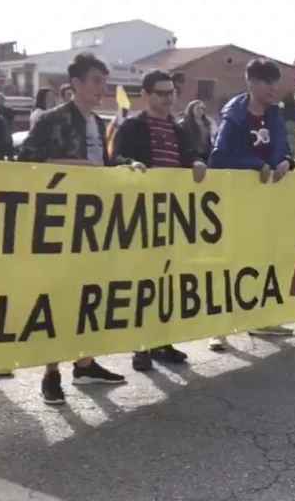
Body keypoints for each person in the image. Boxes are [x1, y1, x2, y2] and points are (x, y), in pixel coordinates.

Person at [19, 53, 127, 405]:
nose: (102, 89)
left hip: (93, 223)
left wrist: (129, 166)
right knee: (56, 296)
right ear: (76, 84)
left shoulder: (100, 122)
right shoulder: (51, 120)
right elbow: (26, 162)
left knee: (89, 295)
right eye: (96, 81)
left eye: (104, 82)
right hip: (59, 221)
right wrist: (75, 167)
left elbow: (106, 165)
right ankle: (51, 373)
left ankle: (84, 362)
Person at [112, 70, 206, 369]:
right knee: (143, 284)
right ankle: (141, 345)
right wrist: (131, 164)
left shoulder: (179, 129)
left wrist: (197, 162)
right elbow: (114, 158)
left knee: (168, 281)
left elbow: (190, 155)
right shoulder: (131, 127)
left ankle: (162, 341)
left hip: (173, 215)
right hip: (141, 216)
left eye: (171, 93)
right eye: (161, 93)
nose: (168, 99)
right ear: (146, 95)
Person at [208, 59, 295, 343]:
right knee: (230, 263)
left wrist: (286, 161)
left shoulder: (275, 115)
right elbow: (219, 157)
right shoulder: (233, 115)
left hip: (267, 202)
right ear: (251, 83)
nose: (273, 88)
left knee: (265, 261)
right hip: (236, 202)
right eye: (266, 82)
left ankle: (263, 319)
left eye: (275, 82)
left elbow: (284, 149)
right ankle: (218, 330)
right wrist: (254, 165)